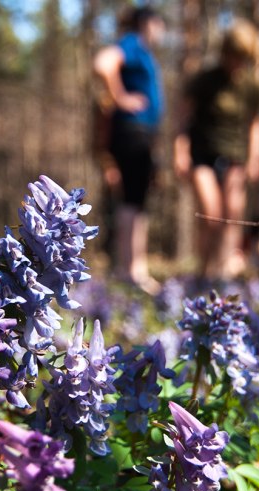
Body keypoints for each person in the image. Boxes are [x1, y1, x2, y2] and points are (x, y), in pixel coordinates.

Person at [174, 19, 259, 281]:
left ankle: (223, 272)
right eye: (232, 55)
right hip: (202, 155)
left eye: (242, 57)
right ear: (224, 52)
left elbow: (257, 123)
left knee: (232, 214)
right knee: (210, 215)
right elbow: (183, 117)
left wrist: (255, 158)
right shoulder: (205, 80)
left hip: (236, 156)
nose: (236, 62)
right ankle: (203, 271)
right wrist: (180, 151)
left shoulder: (252, 85)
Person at [93, 6, 165, 295]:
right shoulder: (133, 44)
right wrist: (121, 97)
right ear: (148, 23)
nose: (162, 31)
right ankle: (133, 270)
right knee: (133, 201)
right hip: (133, 133)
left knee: (135, 201)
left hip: (139, 134)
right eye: (160, 24)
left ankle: (131, 268)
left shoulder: (139, 49)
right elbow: (102, 63)